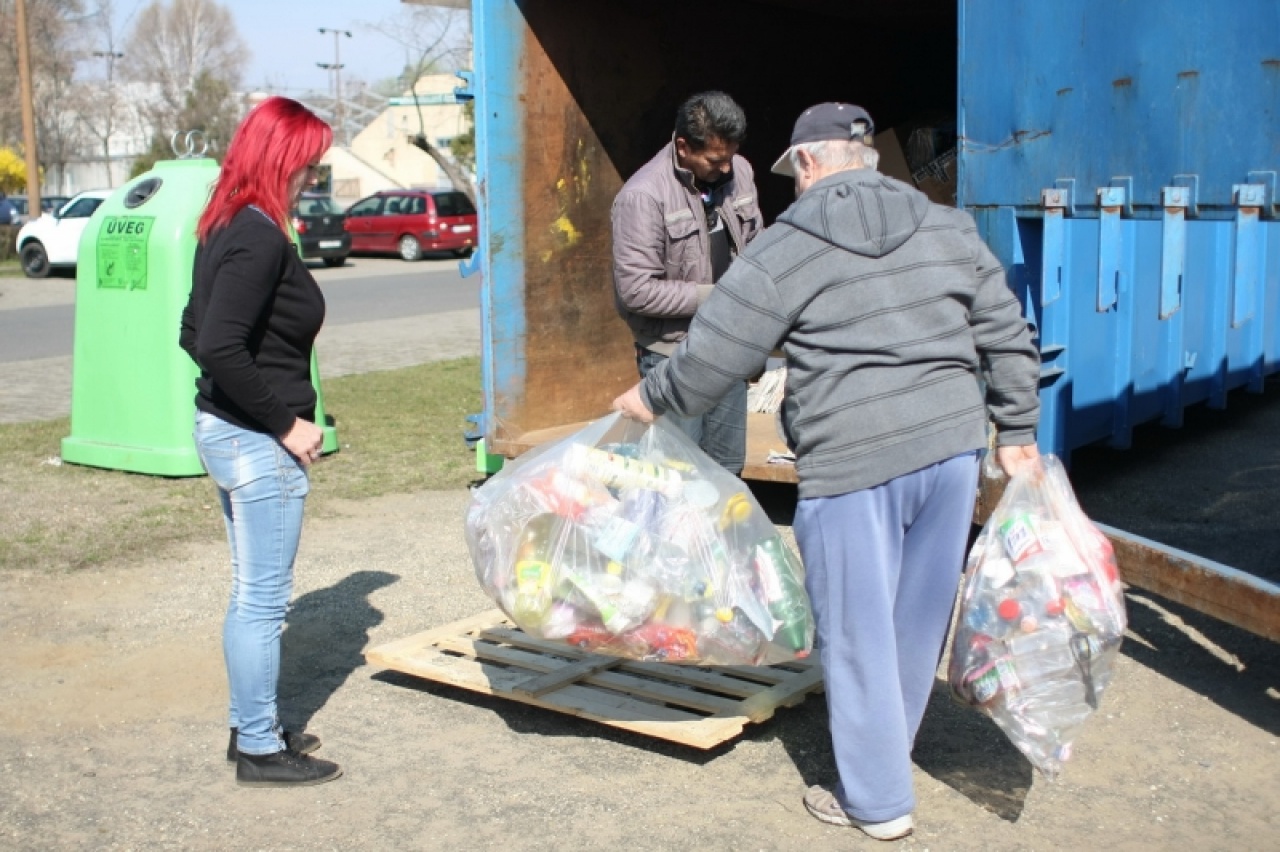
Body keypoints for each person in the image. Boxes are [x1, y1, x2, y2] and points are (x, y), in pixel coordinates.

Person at [613, 102, 1042, 840]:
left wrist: (651, 397)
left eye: (795, 171)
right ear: (868, 160)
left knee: (854, 630)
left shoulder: (788, 246)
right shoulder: (947, 226)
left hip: (853, 458)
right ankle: (888, 757)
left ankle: (876, 802)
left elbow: (719, 351)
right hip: (950, 450)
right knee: (914, 620)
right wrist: (1019, 428)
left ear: (808, 163)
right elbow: (1005, 329)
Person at [179, 96, 342, 788]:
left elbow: (192, 332)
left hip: (225, 430)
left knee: (251, 594)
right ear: (281, 160)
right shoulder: (258, 237)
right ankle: (258, 748)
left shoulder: (225, 222)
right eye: (308, 166)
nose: (313, 179)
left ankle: (252, 725)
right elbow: (216, 343)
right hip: (255, 444)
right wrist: (286, 423)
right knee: (263, 603)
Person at [611, 90, 763, 476]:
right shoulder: (643, 197)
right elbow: (636, 290)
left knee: (726, 470)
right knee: (677, 473)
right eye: (715, 160)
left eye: (730, 156)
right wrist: (718, 297)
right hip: (673, 355)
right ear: (683, 147)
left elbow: (756, 245)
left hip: (728, 345)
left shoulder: (740, 171)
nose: (726, 168)